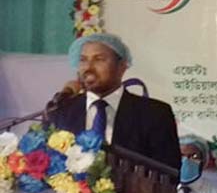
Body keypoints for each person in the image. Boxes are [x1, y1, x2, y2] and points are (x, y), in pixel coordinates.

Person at [48, 33, 180, 169]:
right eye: (83, 60)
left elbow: (170, 171)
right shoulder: (61, 111)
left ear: (122, 67)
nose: (88, 67)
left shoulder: (155, 114)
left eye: (99, 59)